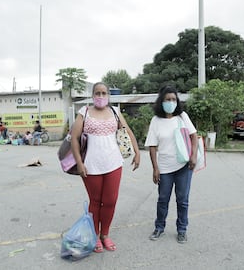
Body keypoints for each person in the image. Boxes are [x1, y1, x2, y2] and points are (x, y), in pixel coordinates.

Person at [70, 82, 140, 253]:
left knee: (110, 201)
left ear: (108, 95)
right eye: (97, 93)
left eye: (103, 93)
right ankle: (94, 236)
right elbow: (74, 138)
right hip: (91, 165)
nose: (100, 96)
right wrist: (79, 163)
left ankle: (105, 235)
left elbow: (128, 131)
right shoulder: (84, 112)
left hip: (113, 163)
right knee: (95, 202)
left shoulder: (115, 112)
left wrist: (137, 152)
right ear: (92, 95)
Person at [144, 85, 198, 244]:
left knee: (182, 200)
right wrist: (155, 168)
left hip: (184, 166)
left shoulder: (182, 116)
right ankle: (159, 227)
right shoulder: (156, 120)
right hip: (165, 167)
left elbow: (194, 136)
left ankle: (182, 230)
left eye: (174, 99)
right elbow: (152, 146)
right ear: (161, 101)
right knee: (162, 199)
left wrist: (193, 156)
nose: (171, 102)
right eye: (167, 99)